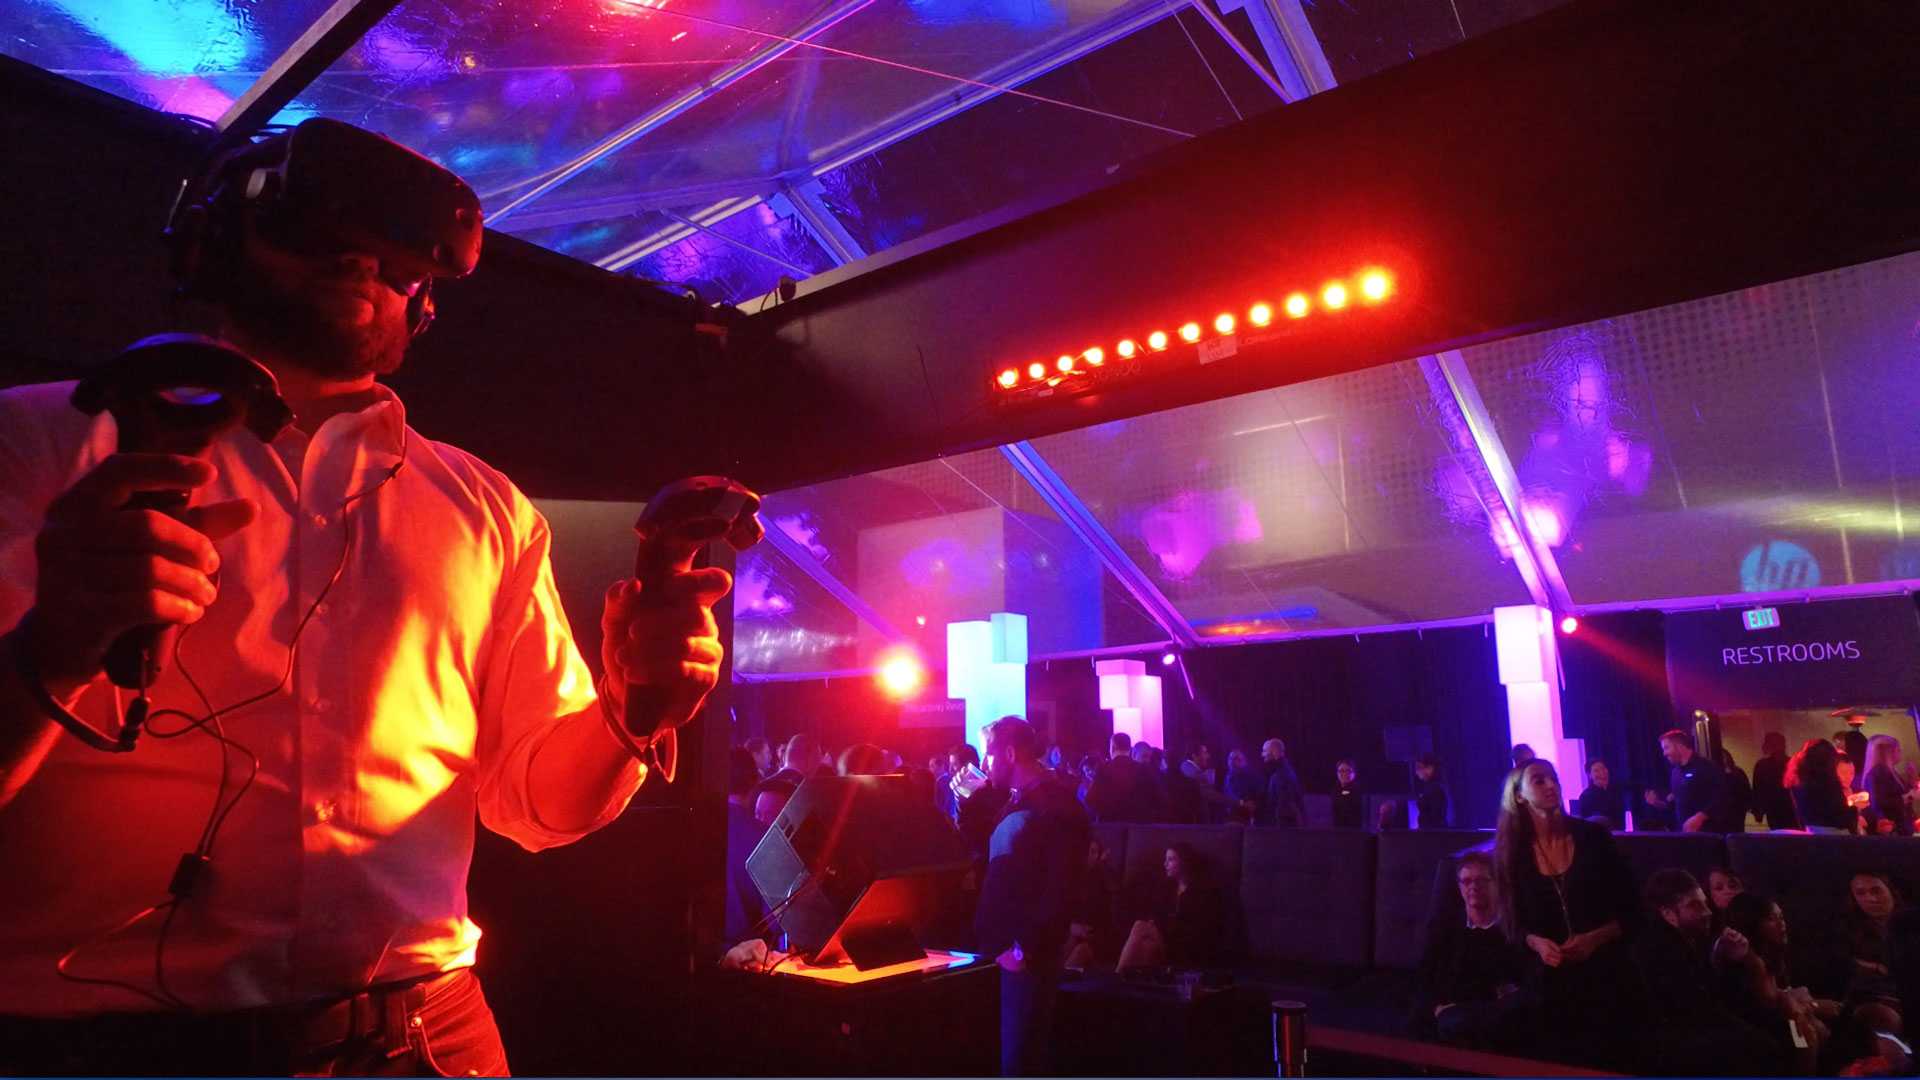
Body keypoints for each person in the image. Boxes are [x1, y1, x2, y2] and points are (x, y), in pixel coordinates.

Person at [0, 121, 734, 1076]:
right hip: (106, 1045)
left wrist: (629, 716)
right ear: (210, 237)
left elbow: (536, 805)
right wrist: (53, 646)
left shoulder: (487, 507)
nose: (361, 265)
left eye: (395, 258)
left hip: (432, 1035)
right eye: (320, 231)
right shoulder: (31, 446)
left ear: (424, 299)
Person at [1494, 760, 1642, 1069]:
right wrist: (1536, 942)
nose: (1551, 785)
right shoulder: (1514, 852)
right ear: (1519, 796)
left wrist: (1594, 939)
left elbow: (1634, 908)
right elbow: (1512, 923)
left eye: (1553, 778)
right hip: (1548, 975)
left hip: (1605, 966)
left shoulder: (1593, 837)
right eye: (1539, 780)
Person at [973, 716, 1088, 1077]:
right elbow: (990, 856)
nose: (984, 764)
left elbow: (1060, 885)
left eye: (988, 755)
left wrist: (1022, 948)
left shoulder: (1054, 806)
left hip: (1026, 956)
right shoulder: (1020, 801)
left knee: (1020, 1060)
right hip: (1007, 951)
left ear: (1009, 753)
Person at [1633, 870, 1784, 1076]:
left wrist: (1727, 958)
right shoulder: (1658, 951)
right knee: (1765, 1046)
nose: (1707, 912)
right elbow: (1700, 1010)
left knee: (1778, 1028)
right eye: (1694, 906)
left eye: (1705, 903)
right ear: (1668, 914)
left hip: (1699, 1026)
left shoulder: (1695, 938)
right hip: (1671, 1042)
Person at [1415, 852, 1532, 1052]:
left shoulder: (1516, 930)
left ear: (1497, 884)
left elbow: (1521, 987)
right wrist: (1436, 1008)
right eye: (1467, 881)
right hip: (1452, 1014)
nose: (1473, 887)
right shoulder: (1444, 928)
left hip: (1496, 1015)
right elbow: (1425, 976)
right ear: (1459, 887)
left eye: (1481, 880)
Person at [1723, 892, 1839, 1073]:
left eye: (1781, 917)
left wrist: (1806, 1003)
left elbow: (1783, 994)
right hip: (1774, 1025)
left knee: (1835, 1010)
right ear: (1753, 924)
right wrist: (1807, 1005)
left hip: (1789, 1013)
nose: (1781, 924)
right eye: (1771, 919)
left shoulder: (1773, 953)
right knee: (1806, 1035)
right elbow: (1774, 1005)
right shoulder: (1750, 960)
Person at [722, 749, 770, 945]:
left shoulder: (697, 828)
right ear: (754, 781)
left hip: (704, 950)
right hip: (751, 952)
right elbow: (775, 916)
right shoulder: (764, 836)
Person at [1646, 728, 1732, 832]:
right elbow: (1677, 803)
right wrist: (1658, 803)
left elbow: (1723, 798)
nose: (1664, 753)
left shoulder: (1706, 766)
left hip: (1708, 833)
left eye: (1666, 748)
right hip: (1685, 834)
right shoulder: (1675, 772)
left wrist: (1701, 816)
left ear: (1679, 746)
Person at [1087, 732, 1160, 824]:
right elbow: (1157, 798)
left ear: (1112, 748)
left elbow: (1091, 799)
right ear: (1130, 749)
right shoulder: (1143, 769)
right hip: (1138, 826)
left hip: (1110, 825)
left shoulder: (1103, 769)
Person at [1787, 738, 1857, 834]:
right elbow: (1842, 820)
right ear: (1829, 760)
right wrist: (1853, 807)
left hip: (1811, 833)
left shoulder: (1798, 781)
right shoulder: (1829, 784)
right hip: (1835, 836)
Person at [1863, 735, 1914, 836]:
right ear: (1888, 752)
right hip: (1890, 829)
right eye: (1898, 750)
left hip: (1898, 827)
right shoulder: (1878, 773)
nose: (1900, 752)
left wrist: (1911, 779)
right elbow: (1879, 802)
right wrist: (1909, 796)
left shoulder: (1890, 772)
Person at [1751, 732, 1798, 830]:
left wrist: (1758, 811)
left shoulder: (1762, 765)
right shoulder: (1793, 763)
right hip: (1791, 807)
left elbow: (1758, 789)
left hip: (1773, 807)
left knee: (1777, 833)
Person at [1260, 738, 1305, 827]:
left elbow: (1284, 806)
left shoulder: (1282, 774)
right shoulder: (1282, 770)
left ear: (1274, 752)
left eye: (1265, 751)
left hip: (1284, 828)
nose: (1262, 754)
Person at [1572, 758, 1627, 830]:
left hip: (1618, 834)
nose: (1602, 773)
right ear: (1590, 775)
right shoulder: (1586, 796)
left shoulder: (1616, 791)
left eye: (1603, 768)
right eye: (1596, 771)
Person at [1715, 747, 1753, 833]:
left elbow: (1746, 788)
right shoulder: (1716, 773)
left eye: (1724, 756)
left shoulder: (1738, 772)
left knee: (1738, 829)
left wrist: (1748, 804)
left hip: (1738, 807)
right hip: (1726, 808)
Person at [1223, 748, 1263, 824]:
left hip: (1250, 815)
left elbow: (1259, 792)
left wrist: (1254, 803)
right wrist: (1243, 803)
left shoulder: (1252, 776)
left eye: (1236, 759)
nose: (1232, 762)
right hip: (1233, 816)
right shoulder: (1229, 777)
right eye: (1230, 759)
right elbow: (1231, 796)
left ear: (1244, 761)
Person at [1413, 753, 1450, 829]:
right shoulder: (1430, 787)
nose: (1416, 772)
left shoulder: (1436, 789)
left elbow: (1436, 818)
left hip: (1432, 833)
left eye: (1419, 768)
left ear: (1430, 768)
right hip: (1428, 831)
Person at [1706, 868, 1746, 933]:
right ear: (1711, 896)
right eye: (1719, 888)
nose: (1727, 891)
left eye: (1732, 886)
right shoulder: (1709, 928)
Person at [1331, 759, 1364, 829]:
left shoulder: (1358, 789)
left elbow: (1346, 794)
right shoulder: (1335, 789)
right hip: (1337, 829)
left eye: (1348, 771)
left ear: (1354, 773)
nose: (1345, 774)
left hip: (1353, 830)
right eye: (1341, 771)